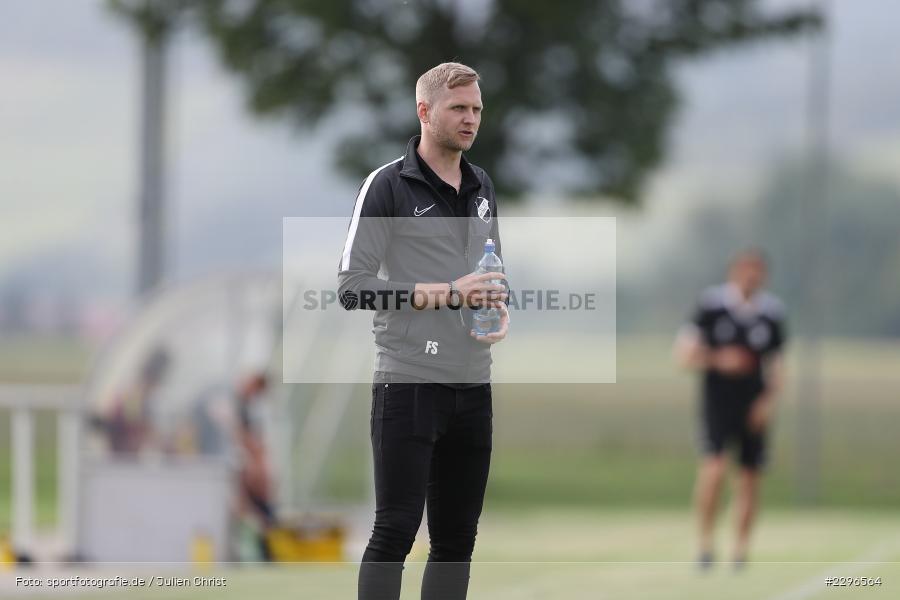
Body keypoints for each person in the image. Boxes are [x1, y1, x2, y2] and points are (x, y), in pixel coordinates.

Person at [338, 62, 509, 600]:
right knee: (395, 531)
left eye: (477, 108)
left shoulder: (482, 186)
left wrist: (497, 307)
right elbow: (352, 287)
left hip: (472, 383)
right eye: (459, 107)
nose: (470, 118)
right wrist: (449, 291)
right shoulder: (387, 185)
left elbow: (491, 273)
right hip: (408, 381)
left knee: (457, 539)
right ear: (424, 111)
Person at [675, 249, 787, 570]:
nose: (753, 279)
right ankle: (705, 543)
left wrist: (767, 402)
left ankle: (740, 549)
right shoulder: (711, 306)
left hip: (753, 406)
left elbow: (777, 365)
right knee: (714, 470)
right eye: (747, 272)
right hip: (717, 403)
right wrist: (718, 359)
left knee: (749, 478)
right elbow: (683, 356)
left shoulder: (771, 312)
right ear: (735, 273)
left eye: (759, 273)